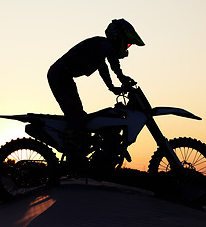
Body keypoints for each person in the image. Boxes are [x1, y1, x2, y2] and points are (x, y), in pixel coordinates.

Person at [47, 19, 145, 165]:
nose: (127, 47)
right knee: (76, 117)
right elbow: (113, 63)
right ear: (118, 36)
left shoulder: (99, 48)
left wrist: (113, 87)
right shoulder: (104, 44)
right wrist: (121, 77)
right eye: (127, 43)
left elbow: (103, 68)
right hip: (60, 76)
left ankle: (84, 152)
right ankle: (73, 159)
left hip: (64, 78)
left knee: (81, 116)